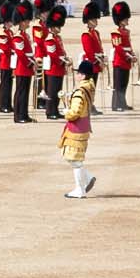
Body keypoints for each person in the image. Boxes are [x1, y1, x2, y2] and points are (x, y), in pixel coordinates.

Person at [59, 59, 99, 198]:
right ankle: (87, 179)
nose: (76, 76)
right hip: (84, 125)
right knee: (74, 157)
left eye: (78, 74)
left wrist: (66, 113)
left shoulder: (80, 91)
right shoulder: (89, 87)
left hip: (77, 128)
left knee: (74, 159)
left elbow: (75, 112)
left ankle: (80, 189)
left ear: (82, 76)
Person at [108, 2, 135, 112]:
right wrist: (128, 55)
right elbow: (118, 48)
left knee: (124, 83)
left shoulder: (126, 32)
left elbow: (128, 45)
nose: (127, 20)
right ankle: (116, 104)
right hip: (119, 60)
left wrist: (132, 54)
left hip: (126, 60)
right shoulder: (116, 33)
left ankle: (122, 103)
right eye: (125, 18)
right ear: (120, 20)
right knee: (118, 84)